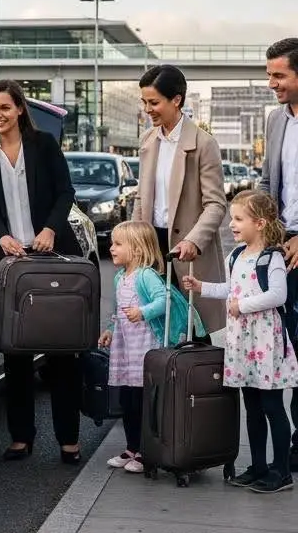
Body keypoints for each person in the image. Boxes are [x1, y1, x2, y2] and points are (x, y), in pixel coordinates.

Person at [0, 78, 83, 464]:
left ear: (20, 108)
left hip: (51, 255)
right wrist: (1, 237)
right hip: (11, 261)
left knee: (60, 353)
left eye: (4, 107)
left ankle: (69, 440)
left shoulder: (43, 145)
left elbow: (65, 191)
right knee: (15, 353)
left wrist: (50, 228)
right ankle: (22, 438)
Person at [183, 191, 298, 493]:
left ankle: (282, 470)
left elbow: (278, 295)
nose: (232, 224)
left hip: (264, 342)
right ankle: (258, 465)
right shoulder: (236, 256)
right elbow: (229, 289)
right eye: (231, 219)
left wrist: (243, 306)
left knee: (272, 405)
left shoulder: (271, 257)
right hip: (242, 344)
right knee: (253, 407)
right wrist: (201, 287)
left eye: (238, 219)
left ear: (259, 223)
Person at [99, 221, 206, 473]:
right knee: (127, 400)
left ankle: (146, 452)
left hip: (146, 349)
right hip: (126, 350)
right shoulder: (119, 277)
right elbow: (118, 312)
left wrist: (143, 312)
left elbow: (164, 300)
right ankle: (131, 447)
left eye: (117, 244)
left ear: (136, 249)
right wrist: (110, 330)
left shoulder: (145, 275)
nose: (111, 248)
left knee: (144, 402)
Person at [132, 65, 227, 332]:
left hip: (189, 252)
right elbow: (141, 197)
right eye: (144, 102)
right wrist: (132, 237)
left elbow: (216, 204)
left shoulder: (203, 143)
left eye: (154, 102)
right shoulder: (148, 140)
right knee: (155, 328)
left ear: (177, 100)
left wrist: (193, 241)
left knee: (193, 331)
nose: (147, 109)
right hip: (152, 247)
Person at [258, 37, 298, 464]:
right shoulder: (275, 120)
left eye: (279, 75)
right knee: (285, 344)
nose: (271, 83)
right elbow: (269, 182)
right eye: (269, 74)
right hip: (280, 245)